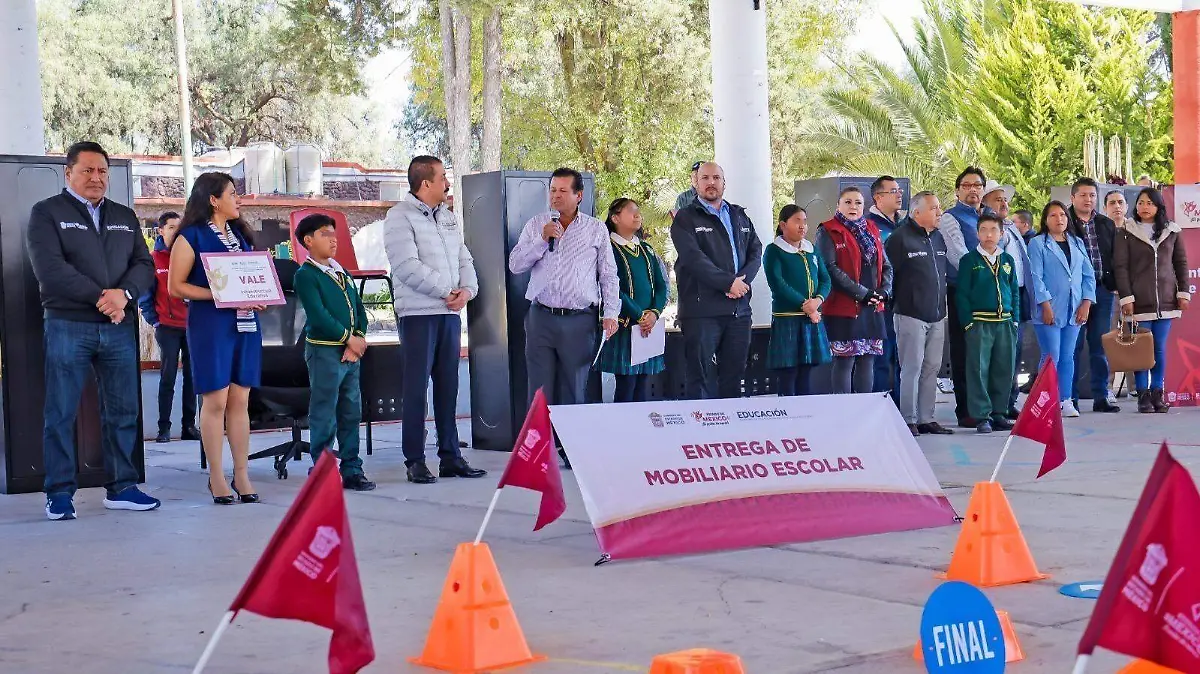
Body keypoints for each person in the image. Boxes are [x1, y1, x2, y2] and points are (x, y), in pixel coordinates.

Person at [26, 141, 159, 520]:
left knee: (123, 411)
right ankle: (60, 492)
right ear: (68, 173)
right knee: (61, 411)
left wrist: (124, 295)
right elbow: (50, 270)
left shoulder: (124, 216)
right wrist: (104, 298)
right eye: (87, 170)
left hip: (118, 328)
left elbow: (143, 265)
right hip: (69, 324)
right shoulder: (47, 213)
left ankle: (122, 487)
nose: (96, 178)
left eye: (102, 171)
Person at [385, 156, 486, 484]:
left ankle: (450, 456)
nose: (446, 183)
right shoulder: (398, 217)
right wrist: (447, 290)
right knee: (416, 390)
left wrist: (467, 290)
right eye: (442, 177)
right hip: (418, 315)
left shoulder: (448, 218)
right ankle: (415, 459)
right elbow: (406, 266)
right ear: (425, 183)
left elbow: (464, 258)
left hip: (449, 314)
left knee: (449, 387)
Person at [510, 168, 619, 465]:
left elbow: (608, 274)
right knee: (539, 387)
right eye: (552, 190)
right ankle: (537, 453)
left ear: (578, 195)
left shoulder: (596, 229)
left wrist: (611, 313)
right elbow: (516, 265)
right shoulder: (537, 225)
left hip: (580, 319)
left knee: (575, 386)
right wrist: (541, 241)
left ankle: (573, 449)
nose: (555, 196)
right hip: (541, 317)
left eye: (562, 191)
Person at [169, 172, 263, 505]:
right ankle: (216, 476)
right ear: (213, 199)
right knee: (216, 401)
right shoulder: (190, 237)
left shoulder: (242, 236)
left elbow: (254, 277)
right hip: (211, 324)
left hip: (246, 325)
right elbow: (176, 286)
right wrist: (221, 294)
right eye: (232, 194)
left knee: (241, 401)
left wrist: (258, 294)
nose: (237, 199)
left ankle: (242, 473)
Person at [291, 214, 377, 491]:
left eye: (334, 233)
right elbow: (318, 316)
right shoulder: (306, 275)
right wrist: (347, 339)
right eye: (325, 234)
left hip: (351, 355)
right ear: (308, 240)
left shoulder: (342, 272)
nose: (333, 239)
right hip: (326, 353)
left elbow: (359, 309)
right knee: (324, 413)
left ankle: (352, 468)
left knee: (351, 412)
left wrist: (359, 338)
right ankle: (322, 470)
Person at [671, 161, 763, 399]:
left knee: (733, 377)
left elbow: (756, 251)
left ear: (724, 183)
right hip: (702, 312)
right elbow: (693, 259)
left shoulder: (739, 215)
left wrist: (741, 282)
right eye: (705, 178)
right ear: (696, 182)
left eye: (716, 178)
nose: (711, 183)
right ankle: (699, 433)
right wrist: (728, 283)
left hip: (739, 310)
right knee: (699, 378)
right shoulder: (685, 218)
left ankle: (730, 434)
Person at [1114, 187, 1191, 414]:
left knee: (1159, 350)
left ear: (1158, 206)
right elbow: (1121, 267)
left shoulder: (1172, 231)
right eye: (1140, 202)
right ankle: (1143, 395)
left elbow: (1181, 264)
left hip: (1166, 301)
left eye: (1149, 203)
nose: (1144, 207)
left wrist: (1183, 294)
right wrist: (1127, 297)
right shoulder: (1126, 231)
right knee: (1141, 350)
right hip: (1138, 303)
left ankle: (1158, 393)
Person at [884, 192, 954, 436]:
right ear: (917, 213)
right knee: (911, 368)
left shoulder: (938, 238)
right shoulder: (899, 239)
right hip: (910, 314)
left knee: (932, 367)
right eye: (934, 208)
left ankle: (926, 417)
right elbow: (887, 275)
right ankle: (908, 418)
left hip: (936, 315)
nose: (939, 212)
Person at [816, 186, 893, 394]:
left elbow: (885, 264)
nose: (853, 206)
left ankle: (864, 414)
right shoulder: (827, 230)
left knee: (867, 361)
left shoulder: (872, 228)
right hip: (845, 308)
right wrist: (862, 293)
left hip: (873, 307)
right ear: (838, 206)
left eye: (858, 202)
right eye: (848, 202)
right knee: (845, 361)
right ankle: (844, 414)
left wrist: (884, 291)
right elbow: (830, 268)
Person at [1027, 201, 1096, 418]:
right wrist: (1045, 305)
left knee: (1068, 356)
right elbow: (1036, 278)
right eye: (1053, 216)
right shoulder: (1038, 244)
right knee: (1051, 356)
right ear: (1045, 220)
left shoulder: (1076, 242)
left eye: (1063, 215)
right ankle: (1045, 401)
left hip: (1073, 309)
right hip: (1049, 309)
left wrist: (1086, 302)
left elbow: (1088, 275)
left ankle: (1065, 400)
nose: (1059, 219)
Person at [595, 198, 667, 402]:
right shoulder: (608, 248)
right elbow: (611, 286)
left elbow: (661, 285)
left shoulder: (646, 249)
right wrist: (638, 315)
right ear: (615, 217)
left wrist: (654, 313)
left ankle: (641, 431)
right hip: (626, 326)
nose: (637, 215)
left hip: (648, 327)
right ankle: (623, 431)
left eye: (638, 211)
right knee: (627, 385)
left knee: (643, 385)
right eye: (631, 211)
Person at [138, 211, 199, 444]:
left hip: (192, 326)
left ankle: (189, 426)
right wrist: (155, 320)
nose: (176, 231)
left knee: (193, 377)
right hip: (167, 326)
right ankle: (164, 428)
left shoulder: (190, 256)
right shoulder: (154, 259)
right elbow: (146, 295)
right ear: (161, 230)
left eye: (179, 227)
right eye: (171, 227)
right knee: (168, 376)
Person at [956, 214, 1020, 434]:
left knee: (1004, 369)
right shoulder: (969, 260)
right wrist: (968, 323)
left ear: (1001, 233)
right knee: (978, 369)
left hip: (1005, 323)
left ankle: (999, 413)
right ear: (977, 233)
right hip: (980, 323)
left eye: (993, 230)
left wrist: (1016, 320)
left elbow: (1014, 292)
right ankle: (982, 415)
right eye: (983, 229)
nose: (989, 234)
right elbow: (962, 295)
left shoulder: (1007, 260)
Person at [939, 167, 989, 427]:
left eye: (977, 185)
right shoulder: (950, 218)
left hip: (993, 294)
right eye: (967, 185)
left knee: (989, 351)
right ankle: (966, 410)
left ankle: (991, 407)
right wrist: (985, 276)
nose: (973, 190)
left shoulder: (990, 215)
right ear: (958, 190)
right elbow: (957, 254)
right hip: (964, 291)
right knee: (965, 351)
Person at [764, 205, 831, 396]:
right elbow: (778, 283)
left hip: (811, 318)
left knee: (807, 370)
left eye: (805, 221)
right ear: (783, 225)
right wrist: (807, 306)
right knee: (789, 372)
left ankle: (805, 416)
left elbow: (825, 279)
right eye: (797, 221)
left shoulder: (812, 249)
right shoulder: (774, 251)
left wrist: (817, 300)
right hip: (788, 318)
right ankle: (787, 416)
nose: (802, 226)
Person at [1067, 177, 1121, 413]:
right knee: (1074, 346)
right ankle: (1070, 398)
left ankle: (1101, 396)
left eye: (1092, 195)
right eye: (1083, 195)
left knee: (1100, 345)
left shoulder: (1105, 223)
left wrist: (1116, 285)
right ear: (1073, 197)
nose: (1088, 199)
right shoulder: (1064, 221)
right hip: (1074, 292)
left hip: (1103, 289)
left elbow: (1116, 257)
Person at [983, 181, 1032, 420]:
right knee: (1000, 354)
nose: (1004, 203)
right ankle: (996, 406)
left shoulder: (1010, 226)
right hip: (999, 297)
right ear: (985, 204)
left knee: (1015, 351)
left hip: (1017, 294)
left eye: (1004, 199)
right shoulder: (989, 229)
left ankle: (1009, 400)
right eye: (997, 200)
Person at [867, 175, 904, 402]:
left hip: (907, 303)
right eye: (893, 191)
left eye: (899, 190)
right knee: (881, 358)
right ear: (878, 197)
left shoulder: (907, 225)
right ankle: (881, 408)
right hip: (881, 305)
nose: (899, 194)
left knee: (903, 359)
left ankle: (903, 410)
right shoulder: (868, 226)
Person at [1105, 189, 1134, 398]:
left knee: (1132, 338)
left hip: (1131, 294)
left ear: (1126, 206)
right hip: (1107, 293)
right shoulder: (1101, 229)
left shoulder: (1134, 229)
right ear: (1105, 207)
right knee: (1109, 340)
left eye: (1120, 202)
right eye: (1112, 202)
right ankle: (1107, 387)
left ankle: (1135, 387)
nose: (1117, 206)